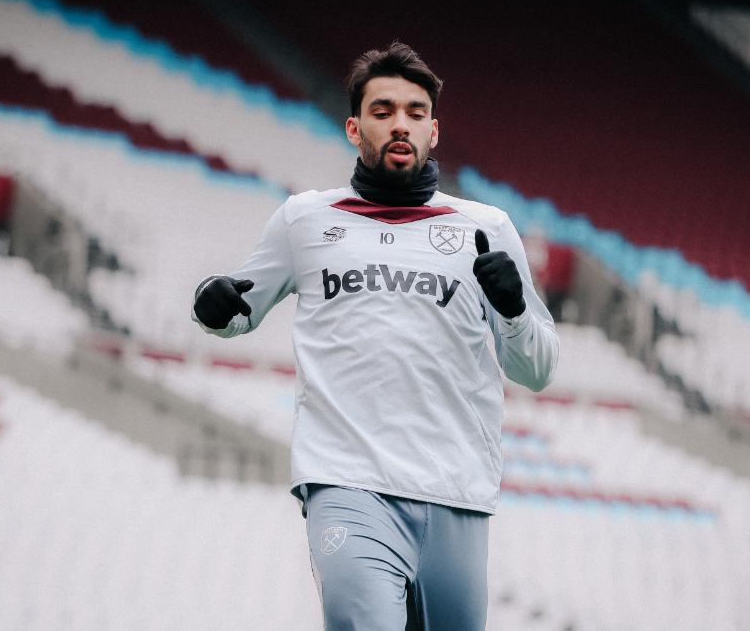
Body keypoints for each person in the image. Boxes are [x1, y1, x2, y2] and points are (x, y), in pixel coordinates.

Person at [192, 42, 559, 629]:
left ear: (434, 131)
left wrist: (514, 308)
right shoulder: (305, 219)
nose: (400, 124)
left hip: (455, 490)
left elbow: (537, 369)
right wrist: (212, 304)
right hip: (346, 482)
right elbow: (237, 308)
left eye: (415, 113)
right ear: (353, 126)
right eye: (383, 110)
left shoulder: (486, 229)